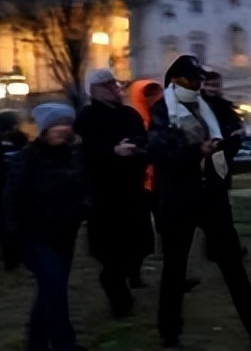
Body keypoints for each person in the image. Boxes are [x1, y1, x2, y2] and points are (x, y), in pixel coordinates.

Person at [149, 55, 251, 349]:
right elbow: (163, 154)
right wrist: (198, 150)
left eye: (200, 78)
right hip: (178, 199)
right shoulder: (162, 111)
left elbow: (225, 138)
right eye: (193, 78)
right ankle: (169, 333)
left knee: (232, 263)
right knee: (174, 267)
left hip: (211, 195)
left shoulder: (207, 107)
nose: (199, 83)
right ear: (177, 80)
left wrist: (231, 139)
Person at [2, 103, 88, 351]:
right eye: (55, 125)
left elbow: (82, 186)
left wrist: (82, 208)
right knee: (55, 286)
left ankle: (36, 343)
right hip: (36, 235)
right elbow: (12, 199)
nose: (62, 130)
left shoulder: (73, 155)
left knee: (50, 289)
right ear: (43, 129)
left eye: (66, 124)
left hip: (65, 232)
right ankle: (65, 344)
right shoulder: (27, 159)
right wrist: (14, 238)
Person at [75, 68, 150, 316]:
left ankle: (126, 278)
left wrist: (139, 151)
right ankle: (118, 295)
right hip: (104, 193)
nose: (114, 89)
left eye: (115, 84)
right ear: (95, 90)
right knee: (111, 250)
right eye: (107, 86)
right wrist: (112, 152)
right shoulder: (87, 118)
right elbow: (86, 153)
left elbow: (143, 140)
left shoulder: (129, 114)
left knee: (136, 244)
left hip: (132, 188)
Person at [0, 111, 29, 267]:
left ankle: (8, 255)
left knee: (4, 221)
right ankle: (19, 253)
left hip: (1, 186)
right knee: (19, 219)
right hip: (19, 185)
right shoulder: (22, 138)